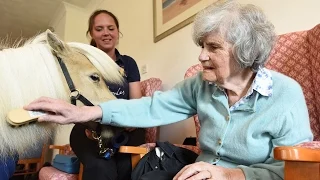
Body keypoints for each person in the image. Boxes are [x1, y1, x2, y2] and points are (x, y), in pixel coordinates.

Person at [25, 1, 313, 180]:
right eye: (202, 46)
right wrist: (82, 111)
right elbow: (149, 107)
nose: (201, 56)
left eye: (212, 47)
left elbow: (295, 170)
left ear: (247, 52)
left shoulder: (286, 94)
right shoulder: (200, 85)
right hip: (198, 172)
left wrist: (230, 174)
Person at [68, 9, 145, 180]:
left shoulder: (128, 63)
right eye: (99, 29)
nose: (106, 33)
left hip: (126, 129)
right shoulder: (82, 64)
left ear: (118, 32)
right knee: (100, 167)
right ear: (91, 33)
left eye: (111, 28)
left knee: (126, 167)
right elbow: (76, 103)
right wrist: (90, 124)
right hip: (89, 129)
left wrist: (131, 120)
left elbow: (136, 103)